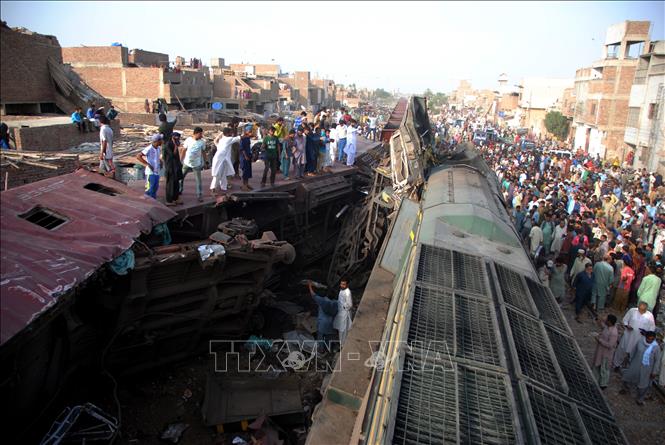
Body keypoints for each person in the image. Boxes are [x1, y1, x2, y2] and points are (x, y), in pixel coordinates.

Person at [620, 330, 661, 405]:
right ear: (645, 337)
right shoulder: (640, 342)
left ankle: (640, 399)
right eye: (648, 338)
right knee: (629, 377)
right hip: (636, 364)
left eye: (652, 339)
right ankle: (625, 388)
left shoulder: (656, 347)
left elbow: (657, 360)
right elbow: (634, 351)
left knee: (644, 384)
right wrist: (630, 360)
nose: (649, 340)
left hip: (647, 369)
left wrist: (654, 371)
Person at [613, 301, 655, 369]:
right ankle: (616, 364)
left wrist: (646, 333)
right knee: (622, 349)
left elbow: (652, 328)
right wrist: (627, 326)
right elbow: (625, 320)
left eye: (643, 311)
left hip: (640, 338)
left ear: (646, 309)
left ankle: (630, 368)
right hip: (629, 335)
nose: (641, 312)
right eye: (640, 310)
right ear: (638, 307)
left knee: (635, 353)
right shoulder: (632, 311)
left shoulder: (650, 316)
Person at [307, 280, 338, 353]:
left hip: (322, 325)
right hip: (332, 324)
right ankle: (329, 350)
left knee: (321, 338)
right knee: (329, 338)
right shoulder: (337, 303)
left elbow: (313, 295)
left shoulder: (323, 301)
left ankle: (321, 350)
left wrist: (310, 286)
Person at [591, 314, 619, 389]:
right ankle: (595, 380)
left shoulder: (613, 332)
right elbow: (601, 323)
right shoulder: (607, 327)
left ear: (609, 322)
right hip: (601, 351)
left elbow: (610, 345)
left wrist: (599, 340)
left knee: (604, 368)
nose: (605, 320)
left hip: (606, 353)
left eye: (607, 320)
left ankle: (603, 384)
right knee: (597, 366)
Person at [211, 127, 240, 195]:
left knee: (224, 174)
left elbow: (215, 141)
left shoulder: (222, 140)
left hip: (223, 160)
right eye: (230, 132)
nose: (231, 133)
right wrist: (246, 134)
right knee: (217, 174)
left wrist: (221, 134)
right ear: (228, 133)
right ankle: (213, 189)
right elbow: (239, 138)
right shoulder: (228, 139)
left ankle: (223, 187)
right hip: (220, 160)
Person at [181, 127, 205, 202]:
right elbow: (184, 150)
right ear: (196, 133)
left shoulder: (202, 142)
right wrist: (181, 160)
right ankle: (179, 190)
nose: (201, 135)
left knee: (198, 180)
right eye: (200, 134)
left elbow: (203, 152)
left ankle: (199, 195)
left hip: (196, 164)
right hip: (187, 163)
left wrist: (206, 161)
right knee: (180, 178)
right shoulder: (188, 140)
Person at [137, 134, 163, 199]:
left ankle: (152, 200)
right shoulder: (149, 148)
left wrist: (161, 162)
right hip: (150, 172)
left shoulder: (158, 148)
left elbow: (157, 157)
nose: (162, 142)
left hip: (156, 171)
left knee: (155, 187)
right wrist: (147, 164)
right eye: (160, 140)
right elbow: (138, 156)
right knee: (150, 188)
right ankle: (150, 201)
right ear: (157, 141)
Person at [163, 131, 183, 206]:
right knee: (170, 184)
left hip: (176, 167)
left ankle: (175, 198)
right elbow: (172, 155)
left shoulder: (175, 144)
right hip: (170, 167)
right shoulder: (168, 144)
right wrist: (175, 145)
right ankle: (169, 200)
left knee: (176, 183)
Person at [333, 278, 353, 345]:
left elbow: (350, 304)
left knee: (343, 330)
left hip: (344, 314)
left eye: (344, 284)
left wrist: (344, 306)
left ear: (347, 285)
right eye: (341, 284)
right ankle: (342, 343)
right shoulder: (342, 290)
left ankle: (343, 344)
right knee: (341, 329)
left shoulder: (347, 292)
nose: (342, 285)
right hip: (341, 312)